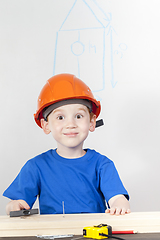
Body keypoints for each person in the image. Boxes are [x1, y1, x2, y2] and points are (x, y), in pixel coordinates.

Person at [3, 73, 130, 216]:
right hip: (53, 235)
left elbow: (118, 198)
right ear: (46, 125)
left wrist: (120, 205)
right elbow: (15, 205)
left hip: (93, 235)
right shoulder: (36, 167)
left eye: (78, 116)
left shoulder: (102, 164)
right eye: (60, 117)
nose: (70, 124)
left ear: (92, 122)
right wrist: (13, 206)